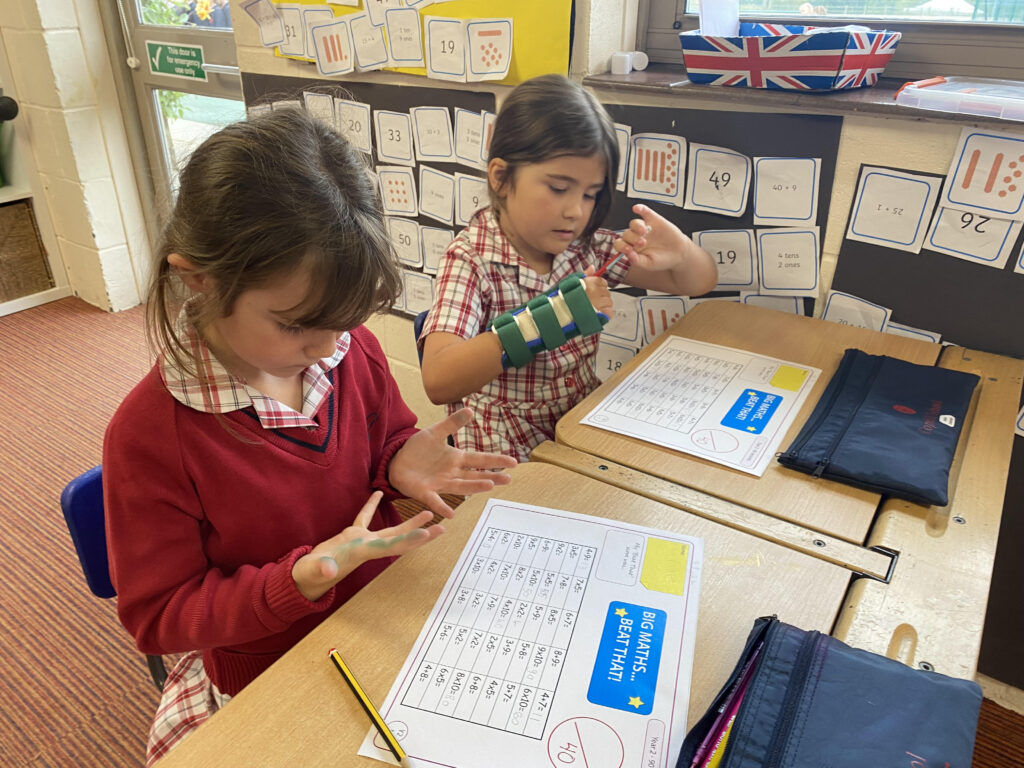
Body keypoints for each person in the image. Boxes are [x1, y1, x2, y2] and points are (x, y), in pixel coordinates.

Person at [102, 108, 517, 766]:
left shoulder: (346, 352)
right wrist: (296, 580)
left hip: (382, 620)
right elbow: (158, 616)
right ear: (197, 279)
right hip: (268, 670)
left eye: (344, 321)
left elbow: (383, 456)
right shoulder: (150, 436)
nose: (328, 347)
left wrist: (400, 468)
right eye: (297, 324)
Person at [418, 74, 718, 462]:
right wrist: (556, 316)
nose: (575, 210)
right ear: (502, 178)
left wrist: (680, 251)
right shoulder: (472, 259)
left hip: (576, 424)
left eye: (590, 194)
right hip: (502, 447)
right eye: (559, 189)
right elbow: (439, 379)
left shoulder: (584, 247)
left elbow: (699, 282)